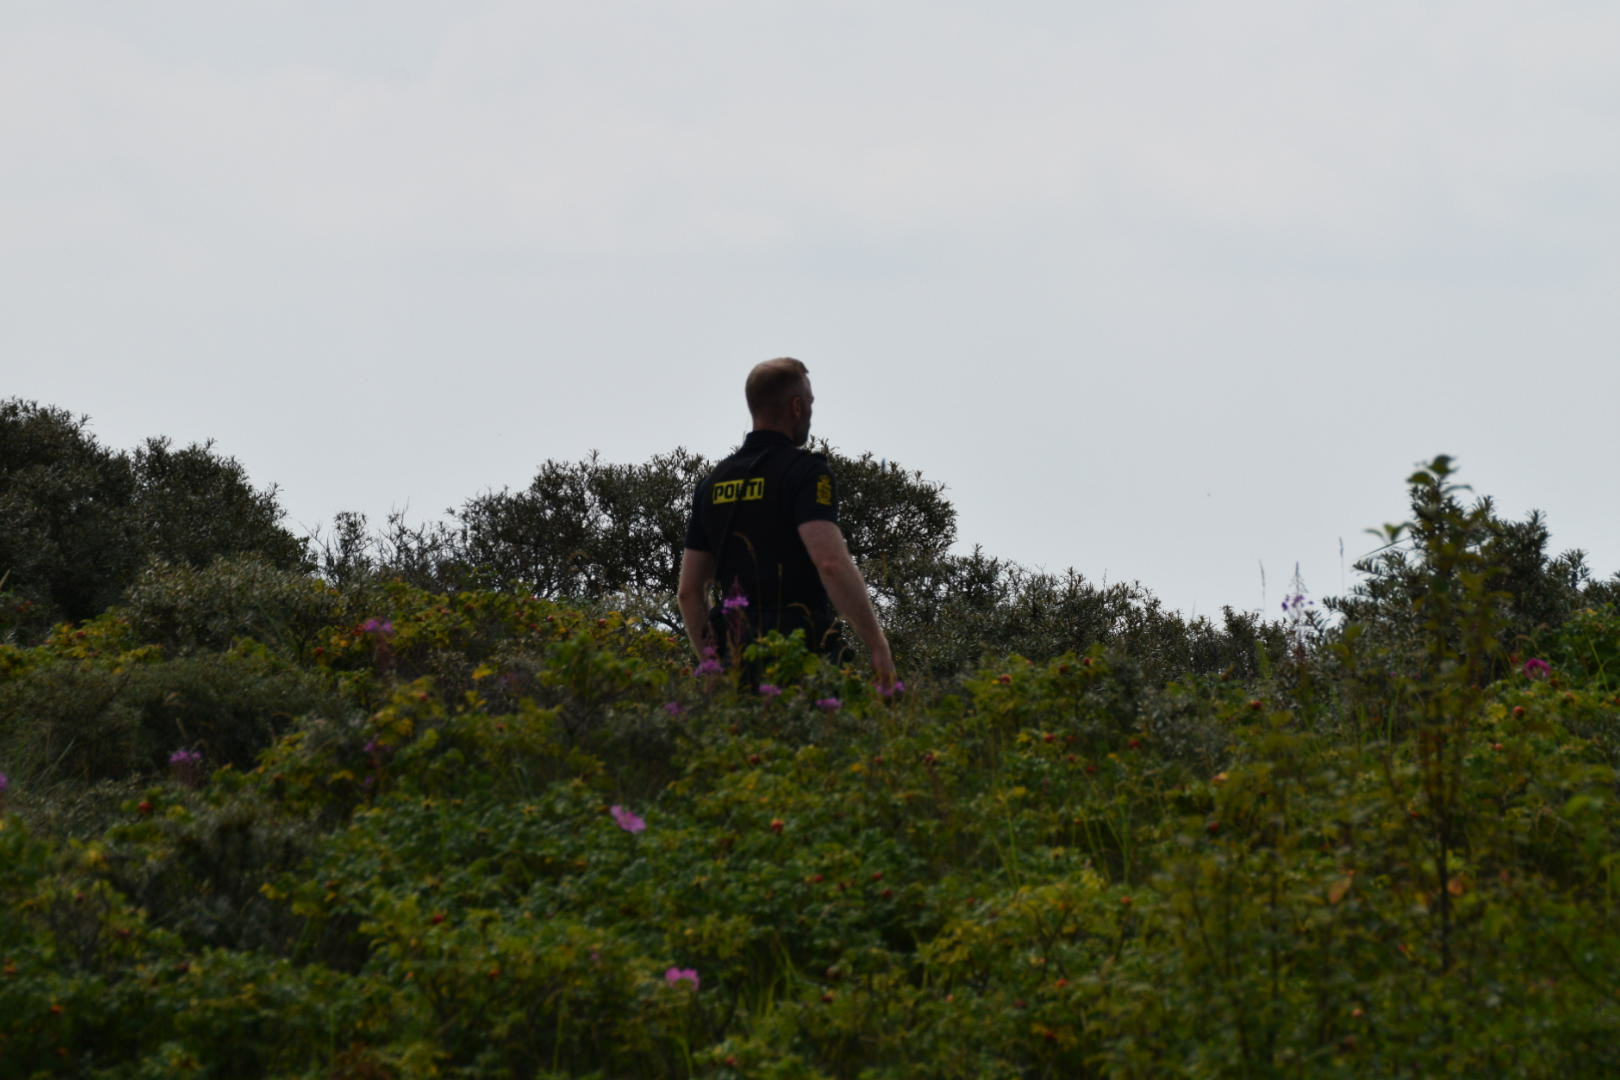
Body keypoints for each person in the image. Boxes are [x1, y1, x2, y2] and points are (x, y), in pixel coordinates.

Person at [678, 357, 897, 692]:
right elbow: (830, 563)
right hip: (799, 654)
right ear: (797, 407)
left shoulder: (712, 484)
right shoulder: (806, 472)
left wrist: (712, 664)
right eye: (810, 403)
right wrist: (878, 645)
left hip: (735, 659)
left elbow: (689, 591)